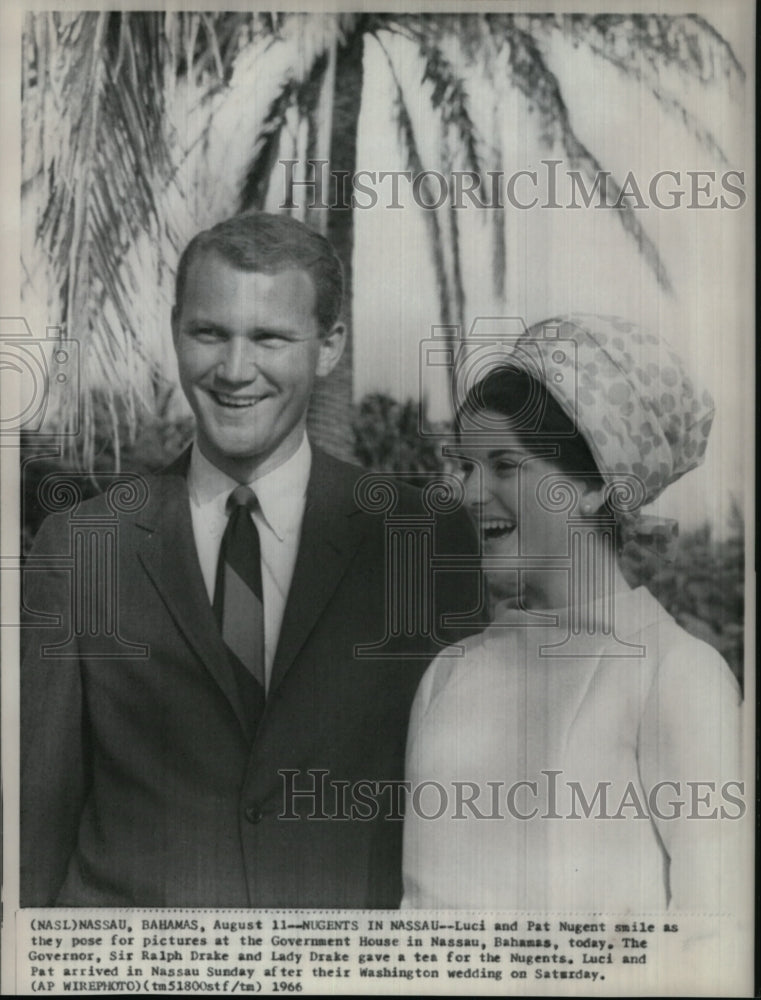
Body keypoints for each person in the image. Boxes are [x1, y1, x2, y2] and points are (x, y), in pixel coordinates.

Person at [20, 211, 480, 908]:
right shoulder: (81, 545)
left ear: (328, 348)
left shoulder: (421, 541)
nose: (235, 371)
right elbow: (37, 816)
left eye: (269, 337)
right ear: (176, 332)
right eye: (210, 333)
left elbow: (460, 810)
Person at [402, 314, 744, 912]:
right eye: (466, 466)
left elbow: (715, 938)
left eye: (505, 465)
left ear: (594, 483)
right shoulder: (447, 675)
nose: (470, 493)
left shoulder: (676, 674)